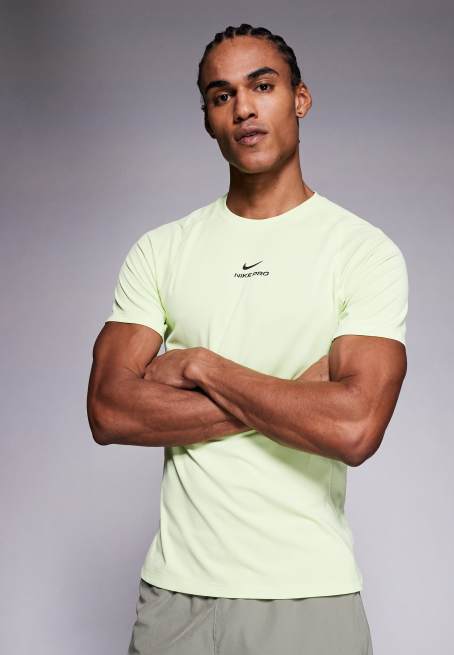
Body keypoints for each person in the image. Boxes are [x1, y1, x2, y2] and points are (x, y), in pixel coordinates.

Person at [87, 22, 408, 655]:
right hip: (174, 599)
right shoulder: (160, 250)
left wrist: (201, 366)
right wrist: (297, 397)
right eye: (221, 95)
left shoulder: (363, 252)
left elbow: (354, 428)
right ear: (208, 119)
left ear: (299, 99)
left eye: (262, 86)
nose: (243, 109)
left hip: (308, 595)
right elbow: (109, 410)